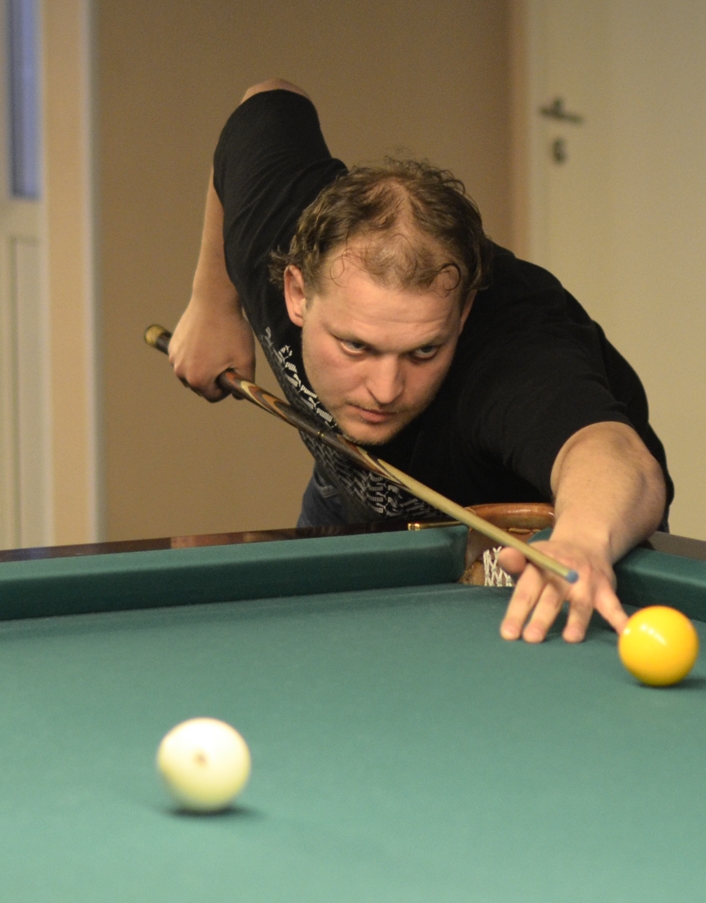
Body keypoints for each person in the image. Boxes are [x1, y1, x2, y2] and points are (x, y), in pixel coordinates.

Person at [167, 81, 672, 645]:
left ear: (463, 311)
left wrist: (581, 540)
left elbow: (614, 455)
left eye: (423, 351)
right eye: (356, 347)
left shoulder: (514, 353)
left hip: (532, 543)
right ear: (297, 293)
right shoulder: (274, 225)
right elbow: (265, 103)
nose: (386, 390)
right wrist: (213, 302)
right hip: (351, 487)